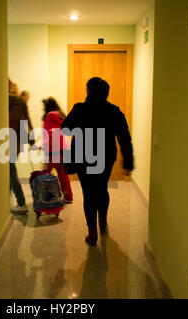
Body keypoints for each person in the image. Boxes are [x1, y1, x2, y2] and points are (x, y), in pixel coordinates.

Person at [61, 77, 134, 246]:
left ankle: (92, 233)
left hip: (83, 157)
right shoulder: (114, 111)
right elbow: (125, 137)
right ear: (106, 93)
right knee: (102, 189)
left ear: (88, 91)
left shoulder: (80, 109)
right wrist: (128, 161)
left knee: (89, 193)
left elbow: (65, 128)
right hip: (106, 157)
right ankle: (103, 221)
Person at [39, 97, 74, 203]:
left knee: (44, 174)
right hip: (61, 150)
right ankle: (68, 197)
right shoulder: (60, 115)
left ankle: (46, 198)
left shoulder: (50, 116)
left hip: (51, 152)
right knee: (63, 175)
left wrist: (42, 145)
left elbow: (50, 134)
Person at [8, 79, 34, 213]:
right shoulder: (20, 101)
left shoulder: (6, 101)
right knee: (9, 171)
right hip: (17, 140)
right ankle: (9, 201)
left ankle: (21, 202)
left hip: (7, 140)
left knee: (10, 171)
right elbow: (27, 119)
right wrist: (31, 137)